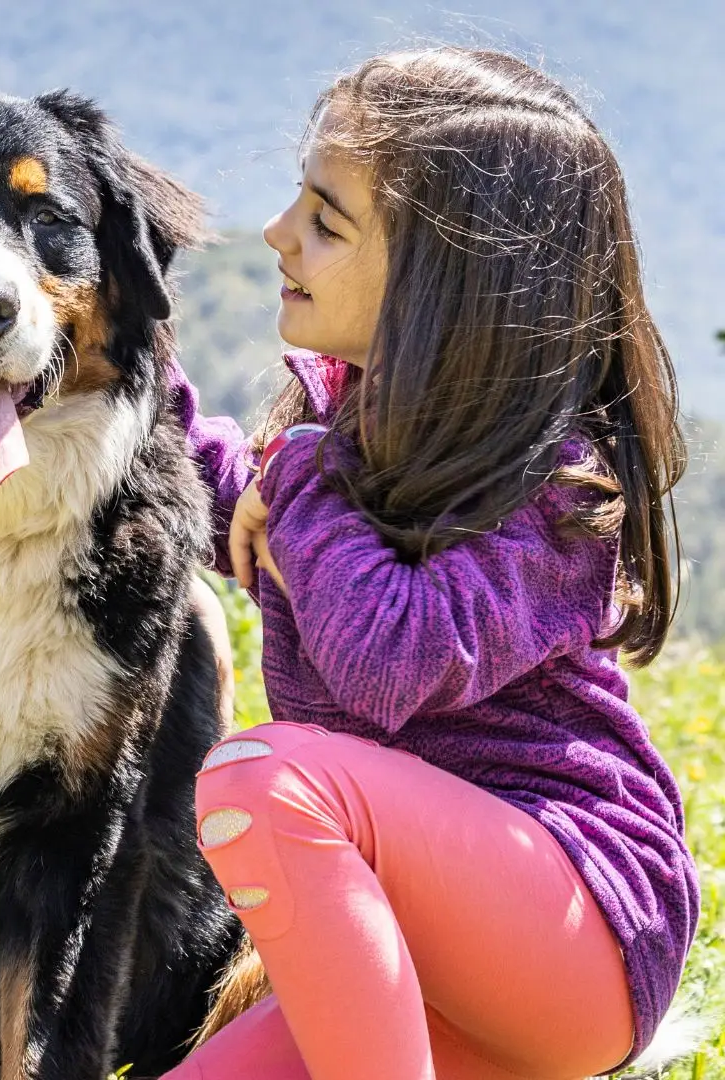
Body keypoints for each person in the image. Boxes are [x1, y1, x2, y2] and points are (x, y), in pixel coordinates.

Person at [164, 47, 697, 1080]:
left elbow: (387, 655)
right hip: (428, 959)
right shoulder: (349, 428)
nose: (277, 232)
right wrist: (120, 349)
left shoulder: (556, 492)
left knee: (263, 778)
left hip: (576, 933)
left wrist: (302, 474)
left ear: (444, 287)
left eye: (326, 221)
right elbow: (227, 500)